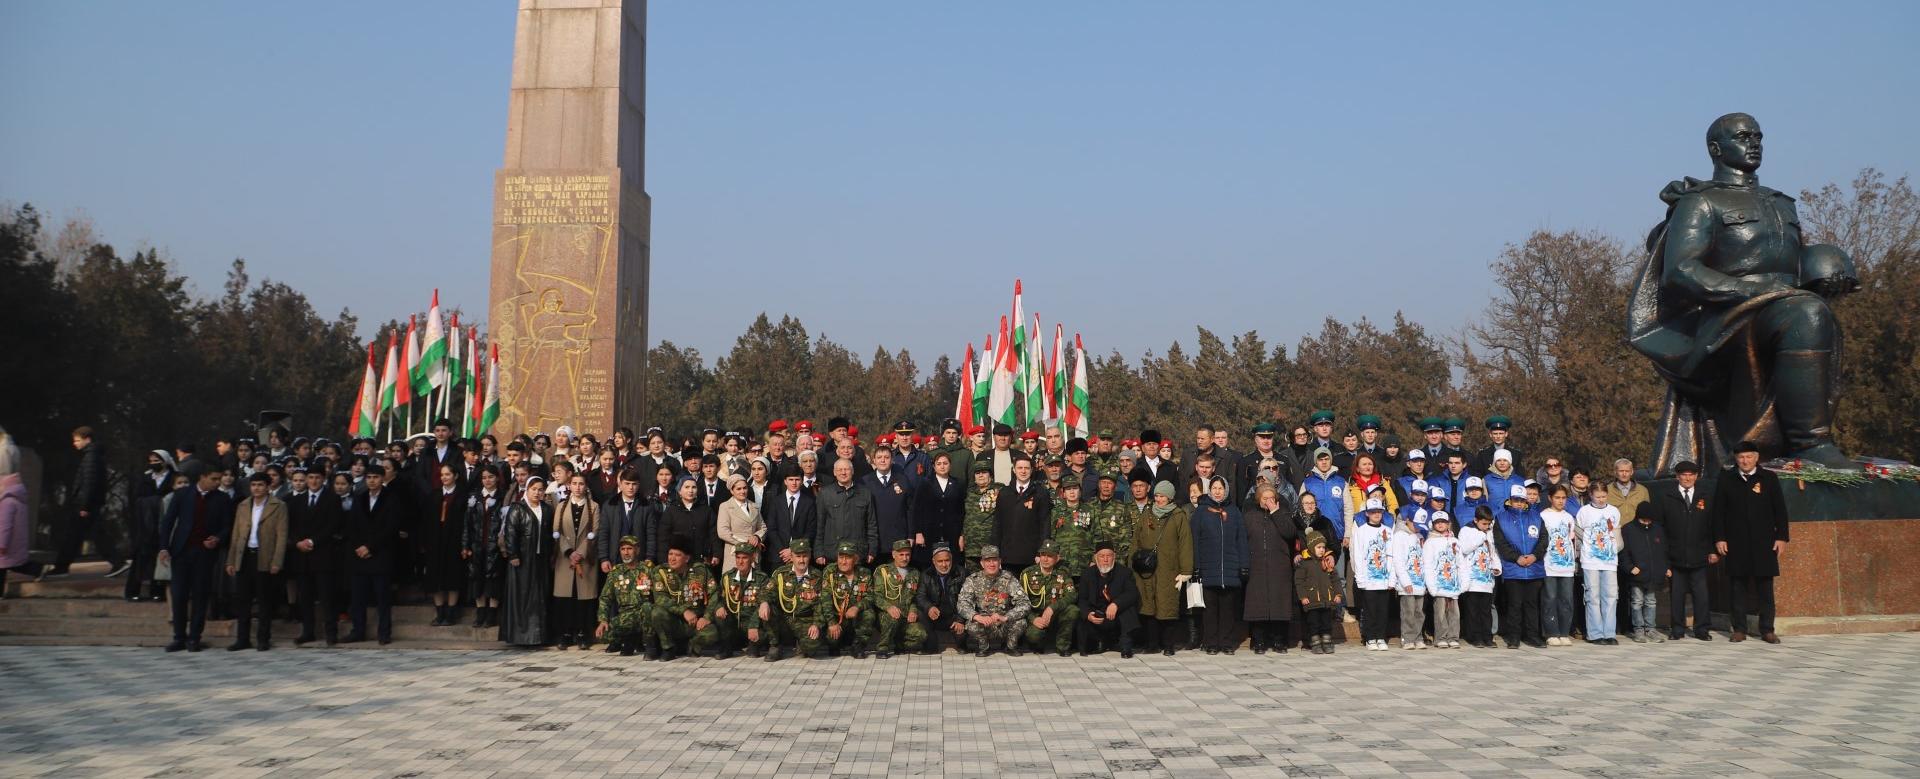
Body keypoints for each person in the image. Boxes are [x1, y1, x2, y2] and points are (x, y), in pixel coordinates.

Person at [1712, 441, 1790, 643]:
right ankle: (1739, 628)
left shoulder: (1769, 478)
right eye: (1741, 457)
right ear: (1736, 459)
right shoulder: (1727, 479)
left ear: (1756, 457)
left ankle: (1767, 629)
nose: (1745, 461)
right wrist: (1719, 538)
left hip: (1764, 543)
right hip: (1736, 542)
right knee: (1737, 587)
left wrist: (1782, 537)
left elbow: (1780, 510)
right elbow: (1718, 512)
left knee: (1765, 588)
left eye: (1748, 457)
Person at [159, 462, 234, 652]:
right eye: (214, 479)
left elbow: (227, 525)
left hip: (205, 553)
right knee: (179, 595)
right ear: (202, 477)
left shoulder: (222, 499)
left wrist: (217, 538)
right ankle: (179, 637)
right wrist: (164, 547)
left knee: (201, 595)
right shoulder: (183, 494)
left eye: (219, 479)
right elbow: (168, 522)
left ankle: (194, 637)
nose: (218, 482)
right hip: (182, 551)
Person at [224, 473, 287, 651]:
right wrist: (231, 560)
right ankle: (242, 639)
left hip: (264, 556)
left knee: (264, 600)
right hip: (244, 556)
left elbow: (281, 536)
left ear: (268, 486)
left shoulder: (279, 506)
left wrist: (277, 561)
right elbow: (236, 534)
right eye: (253, 485)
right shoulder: (243, 505)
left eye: (260, 485)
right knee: (242, 600)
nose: (256, 488)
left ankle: (263, 638)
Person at [1655, 460, 1716, 641]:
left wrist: (1713, 550)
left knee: (1701, 595)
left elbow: (1712, 525)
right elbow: (1661, 528)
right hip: (1676, 556)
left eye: (1691, 475)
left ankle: (1702, 629)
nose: (1687, 478)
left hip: (1700, 555)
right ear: (1677, 477)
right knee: (1677, 596)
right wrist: (1664, 557)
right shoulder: (1667, 496)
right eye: (1684, 475)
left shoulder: (1705, 495)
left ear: (1696, 476)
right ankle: (1677, 629)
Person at [1134, 481, 1193, 655]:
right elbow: (1136, 539)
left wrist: (1186, 571)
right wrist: (1132, 562)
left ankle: (1168, 644)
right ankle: (1152, 644)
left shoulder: (1178, 516)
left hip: (1169, 569)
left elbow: (1185, 544)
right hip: (1147, 570)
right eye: (1157, 496)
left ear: (1170, 498)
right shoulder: (1146, 514)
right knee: (1148, 606)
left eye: (1163, 496)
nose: (1159, 499)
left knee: (1168, 607)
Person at [345, 465, 403, 645]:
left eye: (375, 477)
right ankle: (358, 631)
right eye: (369, 477)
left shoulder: (392, 499)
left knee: (382, 598)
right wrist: (359, 546)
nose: (371, 480)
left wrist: (370, 547)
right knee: (358, 598)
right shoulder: (359, 498)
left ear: (382, 478)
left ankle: (384, 633)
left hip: (380, 554)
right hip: (359, 555)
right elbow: (352, 526)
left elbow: (391, 527)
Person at [49, 426, 117, 578]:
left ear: (88, 439)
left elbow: (89, 483)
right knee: (78, 535)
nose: (75, 444)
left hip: (84, 505)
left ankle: (61, 567)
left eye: (77, 440)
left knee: (84, 535)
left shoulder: (91, 458)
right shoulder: (93, 456)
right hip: (86, 504)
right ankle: (61, 567)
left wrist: (85, 505)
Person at [1191, 477, 1248, 654]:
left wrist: (1244, 564)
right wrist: (1196, 565)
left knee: (1228, 609)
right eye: (1214, 488)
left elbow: (1242, 540)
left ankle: (1227, 643)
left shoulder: (1234, 511)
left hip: (1230, 568)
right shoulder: (1201, 512)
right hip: (1209, 568)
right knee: (1210, 610)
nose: (1217, 491)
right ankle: (1210, 643)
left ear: (1226, 490)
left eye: (1220, 488)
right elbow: (1195, 540)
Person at [287, 470, 344, 645]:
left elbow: (333, 525)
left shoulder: (332, 499)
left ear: (324, 480)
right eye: (310, 477)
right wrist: (297, 543)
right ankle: (308, 631)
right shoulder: (296, 500)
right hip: (301, 555)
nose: (313, 481)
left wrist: (312, 541)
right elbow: (290, 526)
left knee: (326, 596)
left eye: (317, 477)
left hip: (323, 554)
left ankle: (331, 633)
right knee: (305, 596)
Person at [1243, 484, 1298, 655]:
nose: (1268, 501)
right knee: (1258, 605)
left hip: (1279, 566)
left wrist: (1276, 512)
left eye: (1271, 498)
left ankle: (1279, 640)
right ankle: (1259, 640)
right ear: (1258, 499)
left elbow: (1290, 533)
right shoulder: (1249, 516)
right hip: (1256, 565)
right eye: (1264, 498)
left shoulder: (1283, 514)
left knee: (1279, 604)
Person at [500, 474, 554, 647]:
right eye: (534, 489)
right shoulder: (517, 508)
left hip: (540, 559)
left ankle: (538, 636)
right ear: (527, 490)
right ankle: (520, 636)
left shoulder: (546, 509)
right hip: (522, 560)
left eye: (540, 490)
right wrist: (513, 555)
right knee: (522, 597)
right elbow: (510, 534)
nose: (537, 493)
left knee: (539, 596)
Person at [552, 473, 601, 650]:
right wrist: (569, 551)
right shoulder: (562, 506)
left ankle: (582, 633)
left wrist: (580, 552)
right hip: (565, 559)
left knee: (584, 598)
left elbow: (595, 531)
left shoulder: (593, 506)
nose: (578, 487)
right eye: (574, 483)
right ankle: (565, 633)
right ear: (569, 486)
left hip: (585, 559)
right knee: (565, 598)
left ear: (586, 486)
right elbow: (556, 531)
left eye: (581, 484)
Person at [647, 535, 714, 661]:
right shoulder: (660, 572)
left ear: (687, 558)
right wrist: (684, 611)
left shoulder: (700, 571)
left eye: (677, 555)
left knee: (712, 633)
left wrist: (707, 617)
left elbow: (714, 594)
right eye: (670, 554)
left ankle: (690, 646)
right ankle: (668, 648)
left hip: (693, 622)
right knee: (657, 612)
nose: (672, 558)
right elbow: (661, 599)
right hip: (672, 621)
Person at [759, 539, 828, 662]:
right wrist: (764, 603)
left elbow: (821, 604)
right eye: (798, 556)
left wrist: (816, 624)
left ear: (810, 556)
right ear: (791, 557)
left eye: (805, 556)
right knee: (769, 609)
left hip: (805, 620)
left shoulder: (817, 576)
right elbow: (766, 592)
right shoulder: (780, 574)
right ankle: (775, 645)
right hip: (784, 619)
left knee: (812, 646)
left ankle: (801, 644)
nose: (801, 560)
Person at [956, 544, 1030, 657]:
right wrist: (977, 616)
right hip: (985, 624)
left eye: (994, 560)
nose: (991, 564)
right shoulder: (973, 580)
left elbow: (1025, 603)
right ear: (982, 563)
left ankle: (1010, 646)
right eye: (988, 560)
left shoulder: (1008, 579)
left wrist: (1006, 617)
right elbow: (962, 604)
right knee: (971, 625)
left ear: (1000, 561)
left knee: (1021, 622)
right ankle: (984, 647)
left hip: (1004, 622)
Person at [1575, 482, 1623, 645]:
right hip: (1590, 561)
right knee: (1592, 596)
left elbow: (1616, 533)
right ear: (1591, 495)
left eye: (1604, 496)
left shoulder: (1613, 511)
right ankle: (1595, 633)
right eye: (1598, 497)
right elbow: (1579, 534)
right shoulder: (1584, 511)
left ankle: (1609, 632)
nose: (1601, 499)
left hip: (1609, 560)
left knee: (1610, 596)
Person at [125, 449, 176, 600]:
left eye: (157, 461)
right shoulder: (145, 478)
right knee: (141, 557)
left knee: (160, 558)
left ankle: (158, 592)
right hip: (145, 525)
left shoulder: (173, 477)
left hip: (164, 522)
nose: (154, 464)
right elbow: (137, 498)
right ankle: (133, 592)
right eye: (152, 461)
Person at [704, 543, 767, 658]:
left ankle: (754, 644)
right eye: (738, 558)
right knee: (718, 613)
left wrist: (753, 625)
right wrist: (719, 606)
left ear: (752, 558)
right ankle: (727, 647)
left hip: (752, 623)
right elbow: (717, 596)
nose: (740, 562)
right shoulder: (727, 577)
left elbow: (763, 601)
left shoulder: (761, 578)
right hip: (733, 623)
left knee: (766, 612)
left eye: (744, 558)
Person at [423, 464, 468, 627]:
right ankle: (439, 612)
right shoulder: (434, 495)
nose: (444, 478)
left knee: (453, 577)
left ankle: (450, 612)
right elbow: (427, 520)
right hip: (436, 541)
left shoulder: (462, 496)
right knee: (435, 577)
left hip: (454, 541)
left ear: (455, 476)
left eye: (448, 474)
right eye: (442, 475)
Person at [1076, 542, 1139, 657]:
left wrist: (1116, 604)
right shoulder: (1087, 574)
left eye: (1109, 556)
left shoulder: (1125, 573)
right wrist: (1088, 614)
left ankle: (1126, 647)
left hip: (1116, 615)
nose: (1105, 559)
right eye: (1102, 556)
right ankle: (1095, 644)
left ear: (1114, 557)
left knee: (1129, 609)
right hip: (1097, 615)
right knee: (1081, 615)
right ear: (1096, 558)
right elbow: (1082, 599)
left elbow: (1132, 594)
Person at [463, 466, 508, 629]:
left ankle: (491, 612)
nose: (487, 480)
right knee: (477, 577)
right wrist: (465, 545)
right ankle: (480, 611)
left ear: (497, 478)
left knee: (493, 578)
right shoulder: (475, 497)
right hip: (477, 544)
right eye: (484, 477)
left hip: (494, 545)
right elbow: (467, 524)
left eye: (490, 477)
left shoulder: (503, 496)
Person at [596, 535, 655, 657]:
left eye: (629, 548)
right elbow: (605, 598)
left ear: (637, 550)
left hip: (644, 614)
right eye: (623, 549)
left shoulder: (648, 570)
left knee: (648, 608)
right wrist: (603, 620)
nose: (626, 553)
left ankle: (648, 643)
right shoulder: (616, 572)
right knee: (604, 636)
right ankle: (630, 639)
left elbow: (658, 595)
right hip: (625, 617)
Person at [1350, 498, 1396, 651]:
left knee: (1383, 609)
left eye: (1379, 511)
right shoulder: (1361, 531)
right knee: (1370, 609)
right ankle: (1370, 637)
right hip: (1368, 579)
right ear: (1367, 513)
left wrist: (1391, 578)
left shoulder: (1388, 531)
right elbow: (1358, 555)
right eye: (1373, 512)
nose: (1376, 514)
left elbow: (1391, 555)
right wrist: (1360, 577)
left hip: (1384, 578)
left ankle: (1381, 636)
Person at [1019, 541, 1079, 656]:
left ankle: (1063, 646)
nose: (1045, 559)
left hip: (1055, 614)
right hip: (1036, 615)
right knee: (1034, 636)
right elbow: (1020, 602)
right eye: (1043, 555)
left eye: (1050, 556)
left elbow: (1072, 595)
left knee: (1073, 610)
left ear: (1057, 558)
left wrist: (1053, 607)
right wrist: (1033, 619)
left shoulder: (1063, 573)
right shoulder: (1028, 574)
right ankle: (1038, 644)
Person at [993, 456, 1051, 572]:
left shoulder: (1041, 492)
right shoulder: (1004, 493)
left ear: (1032, 470)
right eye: (1020, 468)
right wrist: (995, 554)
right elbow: (997, 524)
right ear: (1014, 469)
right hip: (1007, 555)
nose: (1023, 471)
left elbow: (1045, 524)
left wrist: (1041, 552)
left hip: (1031, 555)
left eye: (1026, 468)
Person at [815, 459, 878, 567]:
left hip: (858, 553)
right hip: (833, 553)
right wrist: (818, 552)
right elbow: (819, 525)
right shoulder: (825, 493)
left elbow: (871, 524)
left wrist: (872, 550)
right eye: (839, 470)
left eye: (846, 469)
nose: (843, 473)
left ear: (852, 471)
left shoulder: (865, 493)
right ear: (834, 472)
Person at [1620, 503, 1668, 644]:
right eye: (1643, 520)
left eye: (1649, 520)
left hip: (1653, 573)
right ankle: (1639, 630)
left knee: (1651, 601)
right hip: (1637, 573)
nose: (1646, 522)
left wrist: (1666, 567)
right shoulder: (1628, 529)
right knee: (1637, 601)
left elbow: (1664, 551)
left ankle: (1651, 629)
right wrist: (1629, 567)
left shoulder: (1658, 529)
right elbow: (1624, 552)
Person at [1539, 484, 1579, 646]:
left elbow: (1572, 540)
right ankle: (1551, 632)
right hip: (1549, 563)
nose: (1560, 501)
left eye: (1563, 498)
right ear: (1550, 498)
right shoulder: (1543, 516)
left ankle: (1564, 632)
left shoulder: (1569, 517)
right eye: (1557, 497)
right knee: (1550, 598)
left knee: (1567, 599)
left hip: (1567, 565)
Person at [1458, 507, 1503, 648]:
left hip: (1486, 578)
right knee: (1473, 610)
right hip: (1472, 579)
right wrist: (1481, 536)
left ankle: (1487, 635)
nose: (1486, 527)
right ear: (1476, 520)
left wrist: (1497, 567)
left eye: (1489, 524)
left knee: (1486, 610)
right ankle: (1475, 636)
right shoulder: (1466, 530)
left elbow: (1492, 551)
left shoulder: (1489, 532)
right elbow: (1464, 549)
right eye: (1484, 524)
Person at [821, 540, 874, 657]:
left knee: (869, 614)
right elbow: (825, 601)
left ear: (855, 559)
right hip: (838, 618)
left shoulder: (864, 573)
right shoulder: (830, 572)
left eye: (848, 558)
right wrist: (831, 622)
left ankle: (858, 646)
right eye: (841, 557)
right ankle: (835, 645)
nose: (843, 562)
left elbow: (870, 597)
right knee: (832, 640)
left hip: (856, 617)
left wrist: (857, 607)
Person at [913, 451, 965, 568]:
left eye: (945, 463)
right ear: (934, 466)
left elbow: (961, 511)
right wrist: (918, 532)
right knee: (929, 567)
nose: (942, 466)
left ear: (950, 465)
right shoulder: (925, 483)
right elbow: (917, 509)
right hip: (929, 533)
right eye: (939, 463)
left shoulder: (958, 484)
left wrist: (961, 534)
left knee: (951, 566)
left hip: (952, 534)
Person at [1387, 505, 1427, 650]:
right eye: (1415, 525)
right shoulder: (1399, 535)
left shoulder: (1420, 536)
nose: (1417, 528)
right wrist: (1405, 581)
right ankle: (1407, 638)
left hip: (1419, 581)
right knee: (1408, 612)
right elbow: (1398, 560)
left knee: (1419, 612)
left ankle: (1418, 636)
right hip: (1407, 583)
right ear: (1408, 521)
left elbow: (1423, 560)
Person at [1422, 512, 1465, 648]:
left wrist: (1463, 582)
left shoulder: (1455, 541)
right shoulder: (1430, 542)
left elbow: (1460, 563)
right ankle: (1440, 637)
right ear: (1433, 524)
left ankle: (1453, 637)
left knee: (1454, 613)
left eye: (1443, 522)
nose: (1440, 524)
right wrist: (1431, 586)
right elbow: (1427, 564)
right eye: (1437, 522)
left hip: (1453, 584)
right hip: (1438, 584)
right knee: (1440, 613)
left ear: (1448, 523)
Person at [1294, 530, 1340, 655]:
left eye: (1323, 547)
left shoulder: (1326, 562)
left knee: (1326, 623)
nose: (1321, 550)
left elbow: (1335, 579)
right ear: (1311, 547)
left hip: (1326, 600)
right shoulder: (1304, 563)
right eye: (1318, 547)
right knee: (1313, 623)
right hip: (1312, 600)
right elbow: (1299, 581)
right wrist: (1303, 596)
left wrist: (1337, 594)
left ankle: (1326, 642)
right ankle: (1315, 643)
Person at [918, 543, 969, 654]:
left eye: (947, 560)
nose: (944, 564)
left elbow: (968, 599)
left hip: (955, 616)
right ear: (933, 561)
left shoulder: (962, 573)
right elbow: (920, 596)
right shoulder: (926, 574)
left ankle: (962, 644)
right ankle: (931, 646)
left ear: (951, 559)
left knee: (961, 638)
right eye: (940, 561)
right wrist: (929, 607)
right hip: (935, 616)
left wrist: (960, 620)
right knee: (921, 613)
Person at [715, 474, 766, 565]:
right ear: (732, 491)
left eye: (744, 488)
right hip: (735, 554)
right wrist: (746, 542)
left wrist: (757, 537)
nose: (742, 491)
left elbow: (762, 527)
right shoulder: (725, 506)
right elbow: (723, 532)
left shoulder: (754, 506)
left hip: (753, 555)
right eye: (738, 489)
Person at [1048, 480, 1095, 573]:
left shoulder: (1090, 510)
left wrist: (1094, 559)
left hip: (1084, 562)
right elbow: (1051, 536)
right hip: (1061, 563)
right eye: (1068, 489)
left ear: (1080, 491)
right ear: (1064, 493)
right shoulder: (1056, 512)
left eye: (1075, 488)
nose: (1072, 492)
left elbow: (1096, 535)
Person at [959, 461, 997, 569]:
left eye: (984, 472)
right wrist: (961, 536)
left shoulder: (999, 491)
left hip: (990, 546)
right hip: (971, 547)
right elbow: (963, 516)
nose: (980, 475)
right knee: (973, 578)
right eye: (977, 473)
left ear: (990, 475)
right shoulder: (969, 493)